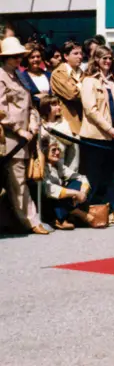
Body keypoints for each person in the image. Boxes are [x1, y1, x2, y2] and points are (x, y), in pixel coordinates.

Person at [0, 37, 47, 234]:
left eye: (20, 56)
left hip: (24, 138)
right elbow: (1, 109)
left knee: (17, 181)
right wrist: (19, 129)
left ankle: (15, 221)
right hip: (11, 139)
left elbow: (30, 105)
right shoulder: (2, 77)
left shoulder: (19, 76)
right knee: (17, 182)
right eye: (14, 56)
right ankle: (31, 221)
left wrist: (34, 123)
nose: (18, 59)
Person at [80, 46, 114, 225]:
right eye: (104, 58)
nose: (108, 61)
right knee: (94, 177)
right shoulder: (89, 82)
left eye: (110, 58)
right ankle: (90, 212)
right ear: (96, 60)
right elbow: (91, 110)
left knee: (112, 177)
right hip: (94, 137)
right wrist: (110, 129)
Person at [41, 136, 92, 230]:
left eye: (58, 149)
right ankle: (69, 215)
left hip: (58, 200)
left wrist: (82, 192)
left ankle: (68, 213)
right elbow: (49, 190)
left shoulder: (58, 165)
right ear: (44, 151)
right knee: (61, 192)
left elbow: (81, 177)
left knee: (77, 182)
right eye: (53, 150)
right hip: (46, 202)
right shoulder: (42, 167)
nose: (57, 153)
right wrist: (75, 193)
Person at [50, 41, 84, 137]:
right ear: (66, 56)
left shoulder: (83, 73)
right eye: (76, 53)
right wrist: (83, 89)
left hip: (83, 124)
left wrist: (78, 88)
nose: (80, 57)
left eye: (81, 53)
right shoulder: (58, 73)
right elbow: (72, 94)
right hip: (66, 124)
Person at [39, 95, 78, 172]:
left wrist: (54, 132)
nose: (59, 107)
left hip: (60, 158)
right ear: (46, 108)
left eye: (58, 104)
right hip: (45, 160)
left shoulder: (62, 121)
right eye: (54, 105)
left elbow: (69, 140)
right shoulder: (40, 122)